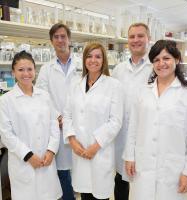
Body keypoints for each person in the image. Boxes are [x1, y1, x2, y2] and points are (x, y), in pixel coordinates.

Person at [123, 39, 187, 200]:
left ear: (177, 60)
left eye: (166, 58)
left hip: (173, 169)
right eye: (156, 60)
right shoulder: (143, 91)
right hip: (143, 165)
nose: (161, 63)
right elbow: (133, 127)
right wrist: (130, 156)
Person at [63, 42, 123, 200]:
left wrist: (95, 147)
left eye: (98, 56)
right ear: (84, 60)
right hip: (79, 150)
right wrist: (73, 141)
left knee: (100, 195)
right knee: (85, 194)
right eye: (89, 56)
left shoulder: (114, 85)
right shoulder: (75, 84)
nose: (93, 60)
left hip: (100, 152)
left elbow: (115, 121)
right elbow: (67, 114)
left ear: (103, 60)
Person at [0, 51, 62, 200]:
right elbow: (6, 135)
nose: (26, 74)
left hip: (46, 161)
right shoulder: (6, 100)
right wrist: (28, 156)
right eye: (21, 70)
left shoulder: (44, 96)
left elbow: (54, 124)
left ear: (35, 70)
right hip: (23, 164)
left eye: (29, 69)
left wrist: (51, 150)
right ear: (13, 72)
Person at [36, 23, 81, 200]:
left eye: (63, 36)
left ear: (69, 39)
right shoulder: (46, 69)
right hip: (58, 124)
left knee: (81, 168)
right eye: (56, 37)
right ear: (51, 41)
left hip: (80, 123)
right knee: (62, 170)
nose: (60, 40)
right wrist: (58, 117)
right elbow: (42, 96)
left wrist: (73, 118)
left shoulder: (81, 64)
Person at [112, 22, 152, 200]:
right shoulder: (119, 69)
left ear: (148, 39)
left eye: (140, 36)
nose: (136, 40)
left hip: (146, 137)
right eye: (132, 36)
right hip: (121, 137)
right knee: (121, 180)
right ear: (127, 40)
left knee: (143, 184)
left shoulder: (156, 68)